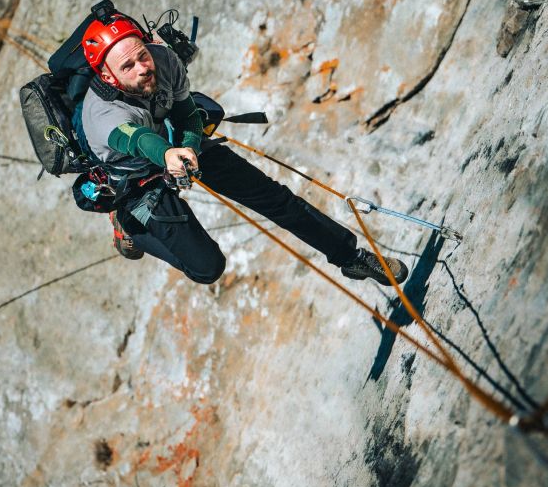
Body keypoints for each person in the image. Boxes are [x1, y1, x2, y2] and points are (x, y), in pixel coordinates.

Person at [77, 17, 410, 287]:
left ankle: (351, 258)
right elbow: (137, 141)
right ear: (107, 75)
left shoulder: (163, 60)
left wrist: (189, 148)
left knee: (275, 199)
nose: (142, 68)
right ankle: (125, 223)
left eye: (142, 55)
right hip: (136, 179)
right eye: (128, 66)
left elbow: (187, 113)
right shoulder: (104, 114)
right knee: (208, 267)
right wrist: (168, 155)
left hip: (176, 144)